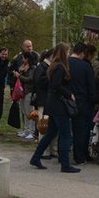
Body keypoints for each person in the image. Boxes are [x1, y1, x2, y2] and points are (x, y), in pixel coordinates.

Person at [29, 42, 80, 173]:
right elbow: (56, 85)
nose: (69, 54)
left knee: (50, 133)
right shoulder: (60, 67)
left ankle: (36, 157)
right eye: (67, 51)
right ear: (64, 52)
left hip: (51, 104)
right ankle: (65, 164)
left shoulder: (54, 66)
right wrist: (69, 94)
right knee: (65, 134)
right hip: (59, 105)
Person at [69, 42, 97, 164]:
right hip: (84, 101)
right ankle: (81, 155)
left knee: (69, 130)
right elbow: (91, 86)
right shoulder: (85, 66)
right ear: (83, 53)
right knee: (83, 130)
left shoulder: (65, 63)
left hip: (68, 99)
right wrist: (94, 100)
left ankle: (65, 155)